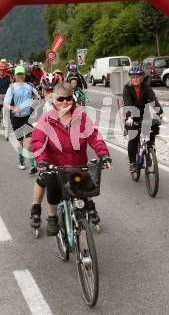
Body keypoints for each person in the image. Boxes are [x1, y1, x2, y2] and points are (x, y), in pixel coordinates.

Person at [30, 82, 111, 236]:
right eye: (60, 99)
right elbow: (37, 141)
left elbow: (94, 136)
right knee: (51, 185)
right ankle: (52, 216)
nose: (65, 102)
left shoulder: (81, 116)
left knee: (84, 187)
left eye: (68, 98)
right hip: (56, 166)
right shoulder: (46, 119)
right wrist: (41, 159)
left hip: (77, 165)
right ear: (54, 100)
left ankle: (88, 208)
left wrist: (103, 153)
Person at [29, 72, 62, 231]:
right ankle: (36, 209)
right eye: (47, 90)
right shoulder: (38, 106)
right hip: (46, 149)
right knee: (45, 178)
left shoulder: (68, 102)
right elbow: (36, 136)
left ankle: (88, 206)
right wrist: (40, 159)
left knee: (80, 173)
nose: (51, 93)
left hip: (65, 150)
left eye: (54, 89)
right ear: (42, 90)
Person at [123, 65, 165, 172]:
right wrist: (129, 117)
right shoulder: (127, 88)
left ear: (142, 77)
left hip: (144, 113)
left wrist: (161, 114)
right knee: (134, 137)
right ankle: (132, 162)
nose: (135, 79)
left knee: (154, 127)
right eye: (133, 77)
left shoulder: (147, 87)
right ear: (130, 78)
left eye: (138, 77)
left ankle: (149, 150)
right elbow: (127, 103)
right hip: (131, 115)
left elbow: (153, 100)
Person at [4, 66, 39, 173]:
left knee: (30, 141)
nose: (20, 76)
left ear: (25, 75)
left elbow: (37, 97)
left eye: (22, 74)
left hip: (28, 117)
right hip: (16, 118)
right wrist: (14, 108)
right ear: (14, 76)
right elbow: (6, 104)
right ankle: (21, 160)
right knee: (20, 142)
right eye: (18, 74)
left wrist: (34, 103)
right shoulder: (11, 88)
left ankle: (33, 165)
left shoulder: (29, 86)